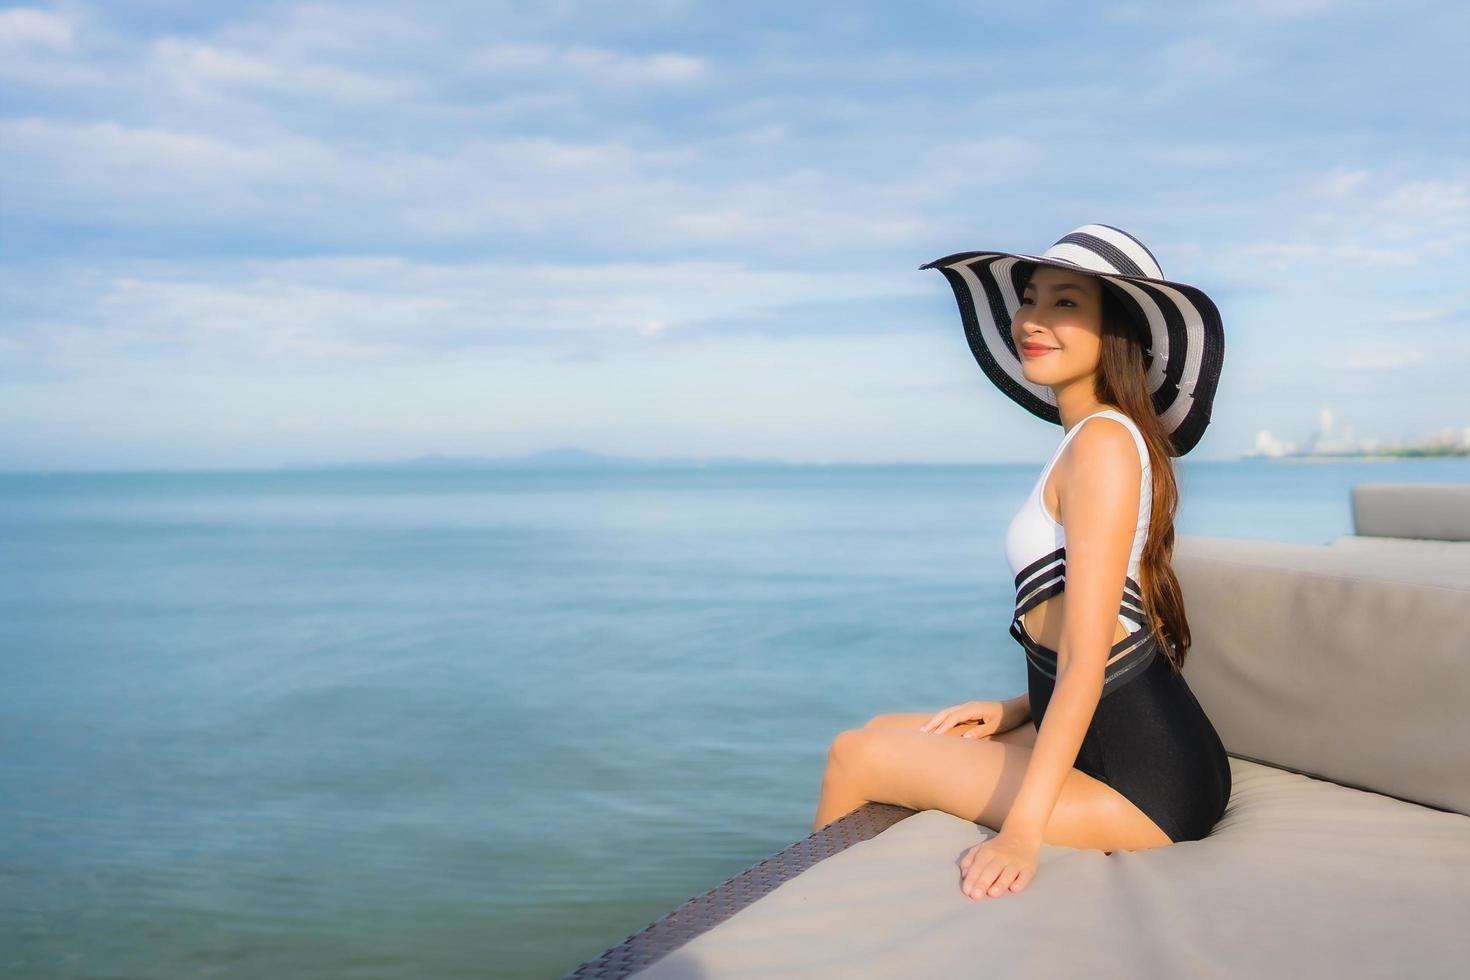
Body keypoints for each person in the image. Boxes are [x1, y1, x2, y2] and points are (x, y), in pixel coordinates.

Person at [812, 224, 1231, 904]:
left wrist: (1021, 833)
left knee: (852, 756)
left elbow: (1089, 654)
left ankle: (817, 936)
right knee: (888, 731)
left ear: (1115, 330)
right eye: (1031, 299)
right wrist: (1011, 710)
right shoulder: (1090, 440)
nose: (1032, 320)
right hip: (1130, 748)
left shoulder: (1102, 445)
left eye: (1066, 304)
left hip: (1148, 785)